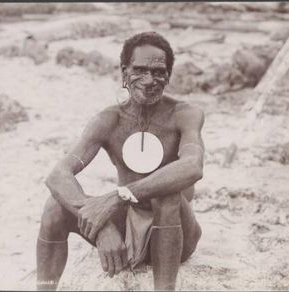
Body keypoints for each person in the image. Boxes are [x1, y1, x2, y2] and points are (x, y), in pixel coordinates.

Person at [37, 31, 204, 291]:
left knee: (168, 195)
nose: (149, 80)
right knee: (54, 207)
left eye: (159, 72)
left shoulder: (184, 115)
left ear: (168, 76)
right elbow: (57, 175)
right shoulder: (110, 119)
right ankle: (44, 287)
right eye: (139, 70)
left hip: (176, 231)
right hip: (126, 225)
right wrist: (100, 224)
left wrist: (120, 196)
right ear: (124, 72)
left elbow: (192, 167)